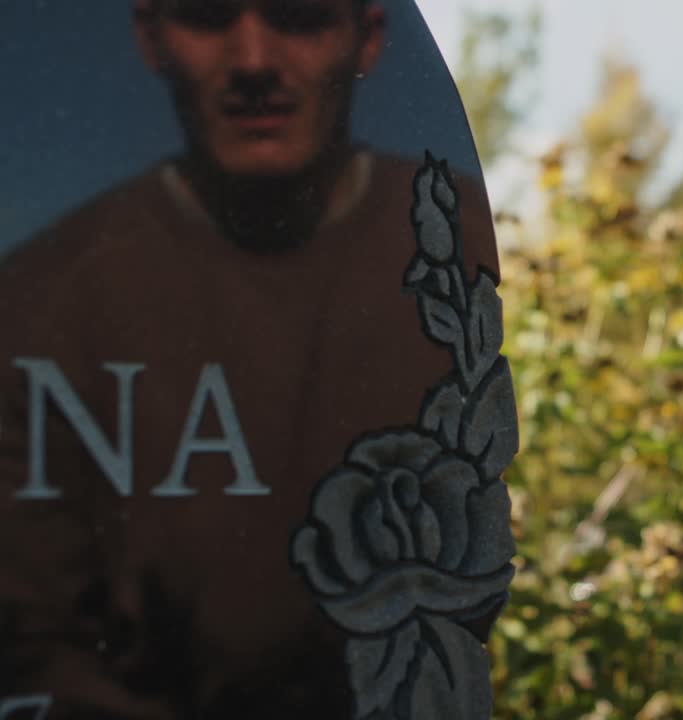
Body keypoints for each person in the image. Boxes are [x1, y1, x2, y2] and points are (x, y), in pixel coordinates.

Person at [0, 1, 498, 717]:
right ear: (149, 36)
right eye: (206, 17)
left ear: (369, 34)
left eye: (301, 18)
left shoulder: (459, 250)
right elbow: (35, 643)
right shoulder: (39, 302)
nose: (255, 62)